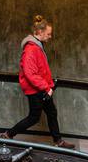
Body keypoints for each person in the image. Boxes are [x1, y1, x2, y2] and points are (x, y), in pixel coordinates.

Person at [5, 15, 75, 148]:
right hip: (36, 90)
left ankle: (58, 141)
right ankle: (8, 134)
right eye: (48, 34)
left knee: (52, 113)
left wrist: (48, 86)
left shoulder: (37, 46)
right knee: (34, 118)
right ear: (40, 32)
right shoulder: (31, 49)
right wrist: (45, 87)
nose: (50, 36)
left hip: (42, 89)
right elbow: (30, 73)